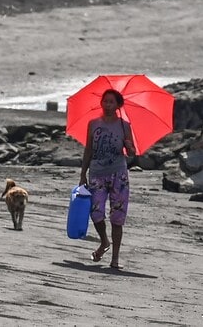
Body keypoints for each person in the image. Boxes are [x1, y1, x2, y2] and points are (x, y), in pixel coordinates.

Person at [79, 88, 136, 270]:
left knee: (117, 217)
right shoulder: (93, 124)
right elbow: (89, 150)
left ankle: (115, 259)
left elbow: (133, 152)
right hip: (97, 173)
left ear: (118, 105)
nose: (108, 105)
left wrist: (129, 146)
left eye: (112, 102)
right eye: (105, 101)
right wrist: (82, 174)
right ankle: (104, 241)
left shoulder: (124, 125)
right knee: (95, 212)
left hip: (118, 174)